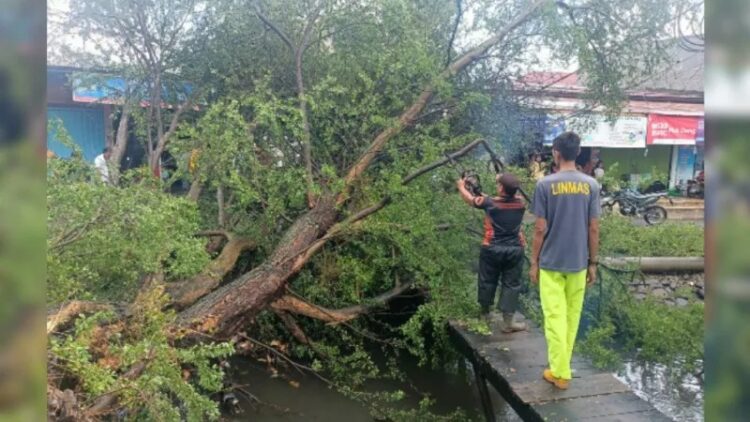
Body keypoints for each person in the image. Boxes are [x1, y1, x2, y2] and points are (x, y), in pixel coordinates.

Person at [529, 132, 600, 390]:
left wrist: (533, 262)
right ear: (578, 153)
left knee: (554, 317)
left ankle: (560, 373)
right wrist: (593, 262)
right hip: (579, 263)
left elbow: (539, 229)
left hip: (550, 262)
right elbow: (594, 228)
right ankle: (562, 367)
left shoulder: (545, 185)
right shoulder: (591, 185)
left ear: (556, 153)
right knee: (571, 317)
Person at [456, 172, 528, 333]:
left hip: (492, 248)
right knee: (512, 284)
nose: (497, 186)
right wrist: (477, 191)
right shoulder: (521, 203)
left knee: (487, 280)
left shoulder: (490, 203)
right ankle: (508, 322)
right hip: (515, 249)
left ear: (502, 188)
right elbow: (491, 200)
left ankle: (485, 316)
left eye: (498, 184)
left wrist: (461, 187)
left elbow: (471, 200)